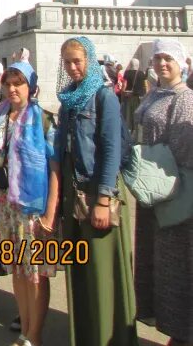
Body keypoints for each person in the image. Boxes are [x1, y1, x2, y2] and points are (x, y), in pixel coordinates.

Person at [54, 35, 138, 346]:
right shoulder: (69, 100)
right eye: (67, 62)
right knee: (80, 271)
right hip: (73, 196)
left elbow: (110, 150)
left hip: (96, 195)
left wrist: (104, 198)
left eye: (78, 61)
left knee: (104, 275)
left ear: (89, 61)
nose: (73, 67)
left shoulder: (104, 98)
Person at [0, 61, 59, 344]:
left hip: (30, 206)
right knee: (16, 268)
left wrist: (50, 212)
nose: (12, 89)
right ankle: (25, 329)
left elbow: (54, 170)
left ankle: (34, 336)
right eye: (8, 84)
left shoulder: (44, 120)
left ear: (31, 87)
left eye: (19, 84)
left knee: (35, 272)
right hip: (1, 203)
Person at [134, 39, 193, 346]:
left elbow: (184, 153)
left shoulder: (185, 100)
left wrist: (153, 170)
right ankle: (174, 331)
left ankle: (183, 334)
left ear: (181, 63)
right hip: (152, 193)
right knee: (157, 266)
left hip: (172, 196)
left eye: (168, 58)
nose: (161, 64)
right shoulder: (155, 93)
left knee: (178, 269)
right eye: (157, 58)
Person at [120, 57, 146, 130]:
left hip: (129, 97)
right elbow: (145, 85)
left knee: (128, 115)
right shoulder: (142, 73)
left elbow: (124, 85)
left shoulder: (127, 73)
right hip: (139, 97)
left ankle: (129, 131)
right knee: (137, 115)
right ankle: (137, 131)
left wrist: (122, 97)